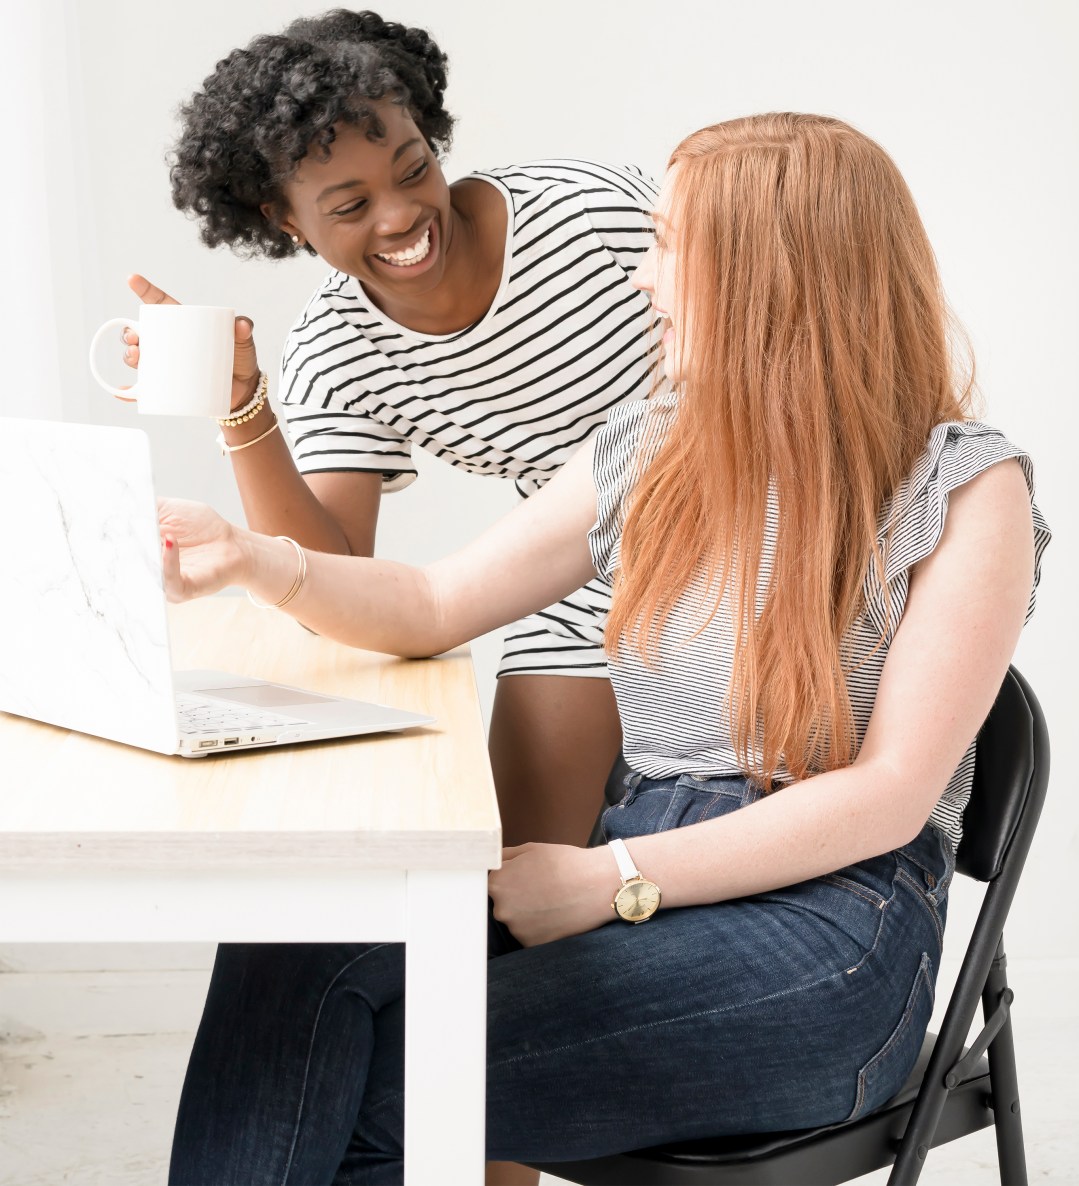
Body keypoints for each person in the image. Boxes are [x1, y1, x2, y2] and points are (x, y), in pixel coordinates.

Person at [159, 112, 1049, 1184]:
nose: (641, 277)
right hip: (647, 862)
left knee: (371, 1084)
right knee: (297, 939)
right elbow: (435, 600)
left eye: (668, 245)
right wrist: (253, 559)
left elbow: (886, 797)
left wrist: (610, 876)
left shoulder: (965, 485)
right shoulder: (658, 442)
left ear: (770, 272)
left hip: (827, 934)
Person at [126, 8, 659, 849]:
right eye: (349, 205)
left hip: (759, 541)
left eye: (415, 170)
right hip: (583, 580)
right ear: (285, 220)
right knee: (506, 880)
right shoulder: (338, 349)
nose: (402, 215)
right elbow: (330, 586)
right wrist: (245, 407)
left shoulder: (593, 216)